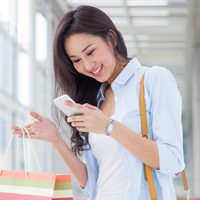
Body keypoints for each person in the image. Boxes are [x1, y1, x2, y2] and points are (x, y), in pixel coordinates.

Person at [11, 5, 185, 200]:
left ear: (111, 38)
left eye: (90, 52)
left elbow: (173, 160)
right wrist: (56, 140)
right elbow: (93, 183)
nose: (87, 65)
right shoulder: (97, 101)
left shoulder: (154, 79)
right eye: (76, 60)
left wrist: (109, 127)